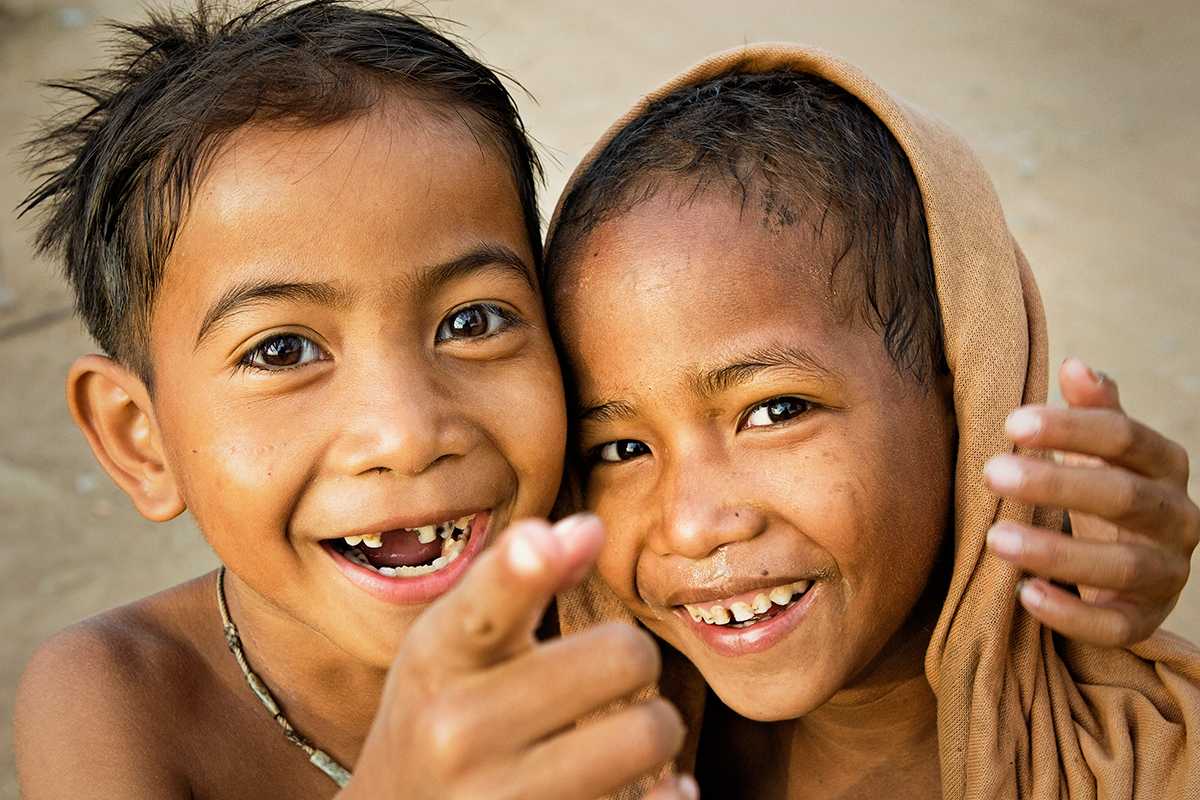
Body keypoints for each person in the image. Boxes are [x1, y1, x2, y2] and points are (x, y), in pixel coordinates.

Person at [11, 2, 691, 798]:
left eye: (471, 322)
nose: (406, 435)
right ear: (139, 438)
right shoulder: (117, 697)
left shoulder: (642, 583)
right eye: (282, 350)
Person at [542, 45, 1200, 798]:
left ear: (967, 396)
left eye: (774, 411)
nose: (691, 528)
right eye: (620, 448)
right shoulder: (554, 755)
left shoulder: (1156, 768)